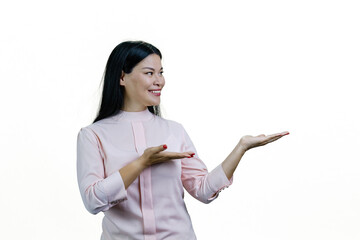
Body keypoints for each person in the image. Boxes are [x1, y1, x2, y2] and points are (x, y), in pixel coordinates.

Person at [76, 41, 289, 240]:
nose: (159, 81)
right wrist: (141, 162)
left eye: (161, 73)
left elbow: (203, 189)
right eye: (149, 73)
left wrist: (241, 147)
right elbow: (93, 200)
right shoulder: (93, 135)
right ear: (122, 77)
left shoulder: (173, 131)